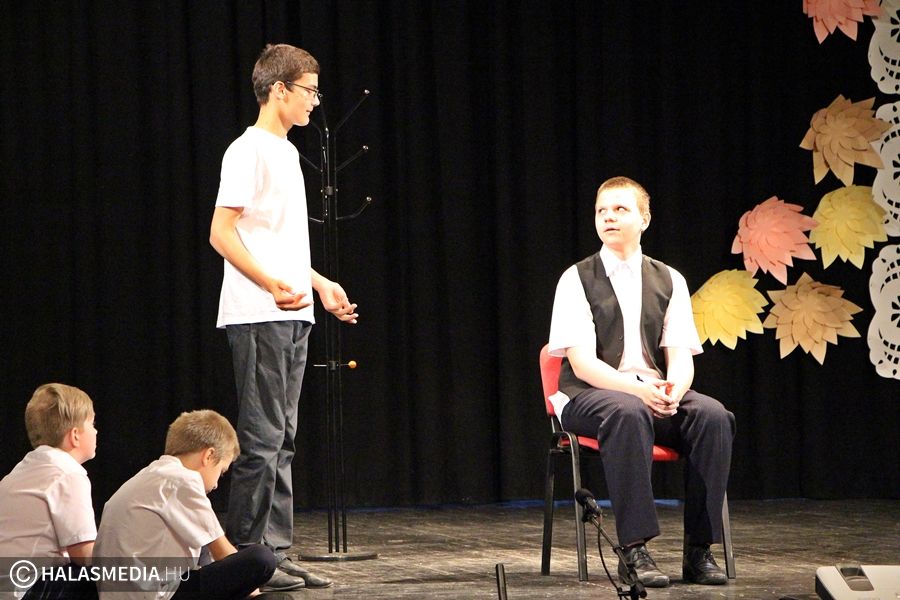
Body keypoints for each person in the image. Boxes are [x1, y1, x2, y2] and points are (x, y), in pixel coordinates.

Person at [209, 43, 357, 591]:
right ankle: (244, 558)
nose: (315, 101)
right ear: (279, 90)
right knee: (262, 437)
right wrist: (269, 284)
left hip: (293, 312)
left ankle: (273, 553)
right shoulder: (246, 150)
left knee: (285, 437)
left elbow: (277, 240)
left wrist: (319, 284)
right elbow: (221, 232)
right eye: (309, 90)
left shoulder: (288, 153)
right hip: (258, 313)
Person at [548, 176, 735, 588]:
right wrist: (639, 391)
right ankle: (633, 550)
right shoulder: (576, 279)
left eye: (620, 209)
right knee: (628, 411)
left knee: (713, 416)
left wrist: (674, 392)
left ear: (644, 219)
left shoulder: (670, 279)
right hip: (589, 396)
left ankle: (699, 551)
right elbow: (582, 364)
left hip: (650, 392)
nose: (609, 217)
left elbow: (680, 358)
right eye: (602, 211)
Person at [93, 410, 275, 600]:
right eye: (221, 472)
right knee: (261, 559)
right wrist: (250, 588)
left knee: (201, 544)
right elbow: (223, 553)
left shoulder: (150, 475)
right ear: (209, 455)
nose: (216, 485)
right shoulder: (182, 480)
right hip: (154, 595)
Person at [0, 383, 99, 600]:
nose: (96, 431)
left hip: (8, 587)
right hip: (28, 590)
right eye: (92, 424)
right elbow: (84, 555)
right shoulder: (68, 473)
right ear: (75, 435)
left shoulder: (18, 472)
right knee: (113, 576)